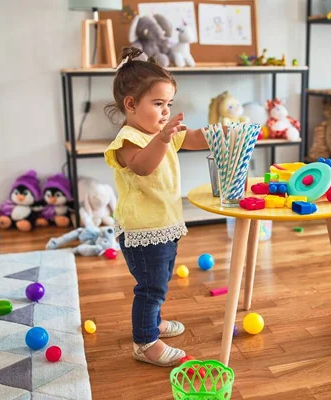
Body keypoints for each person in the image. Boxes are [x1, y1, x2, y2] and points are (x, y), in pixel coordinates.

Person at [103, 47, 209, 367]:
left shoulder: (162, 133)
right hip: (142, 228)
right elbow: (143, 167)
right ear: (131, 104)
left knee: (160, 281)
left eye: (169, 104)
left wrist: (219, 132)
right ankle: (145, 342)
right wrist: (163, 137)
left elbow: (192, 138)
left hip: (164, 224)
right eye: (158, 103)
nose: (165, 112)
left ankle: (154, 322)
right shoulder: (130, 138)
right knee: (150, 287)